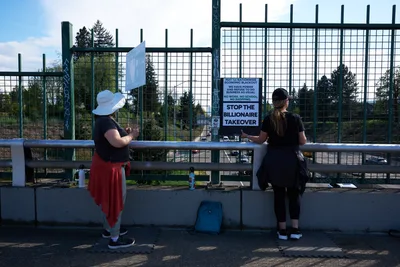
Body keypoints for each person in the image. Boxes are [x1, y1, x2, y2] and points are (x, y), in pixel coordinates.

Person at [241, 88, 307, 241]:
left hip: (274, 160)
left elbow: (261, 140)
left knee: (278, 195)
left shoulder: (268, 118)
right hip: (292, 160)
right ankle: (295, 229)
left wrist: (246, 136)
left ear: (274, 102)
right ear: (286, 102)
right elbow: (303, 141)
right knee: (293, 194)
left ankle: (282, 230)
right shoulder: (295, 118)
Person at [88, 90, 139, 249]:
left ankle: (109, 229)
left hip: (104, 166)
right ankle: (115, 239)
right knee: (115, 200)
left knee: (108, 199)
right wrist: (132, 136)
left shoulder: (103, 121)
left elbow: (113, 138)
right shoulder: (107, 122)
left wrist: (125, 133)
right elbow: (116, 142)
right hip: (111, 169)